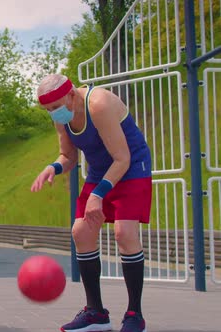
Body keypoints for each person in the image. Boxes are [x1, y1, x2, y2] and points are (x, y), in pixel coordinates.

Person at [31, 74, 151, 332]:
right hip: (100, 171)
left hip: (131, 168)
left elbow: (122, 158)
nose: (53, 114)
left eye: (55, 108)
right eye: (48, 111)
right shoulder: (62, 116)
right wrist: (52, 167)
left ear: (71, 95)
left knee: (124, 233)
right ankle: (96, 313)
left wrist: (98, 195)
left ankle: (134, 315)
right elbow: (68, 156)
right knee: (81, 232)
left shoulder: (98, 104)